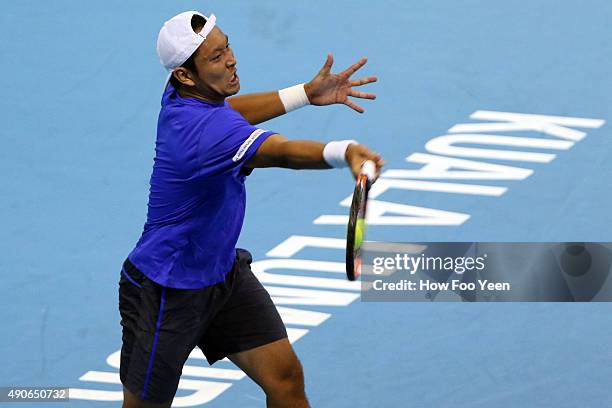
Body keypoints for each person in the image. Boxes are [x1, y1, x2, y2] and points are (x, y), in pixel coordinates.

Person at [119, 10, 384, 408]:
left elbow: (230, 114)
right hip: (168, 289)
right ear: (186, 75)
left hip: (222, 275)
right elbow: (281, 152)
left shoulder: (184, 98)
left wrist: (304, 95)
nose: (230, 60)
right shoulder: (204, 135)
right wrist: (341, 151)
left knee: (285, 378)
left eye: (227, 48)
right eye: (215, 58)